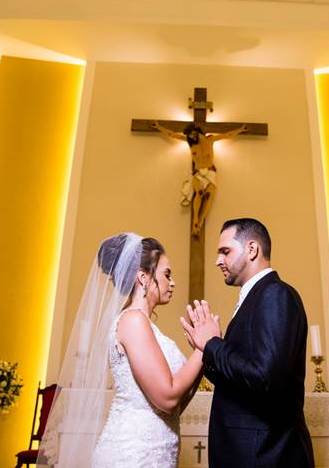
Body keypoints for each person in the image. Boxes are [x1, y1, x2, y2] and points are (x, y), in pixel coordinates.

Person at [38, 233, 204, 468]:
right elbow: (167, 398)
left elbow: (175, 406)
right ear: (143, 278)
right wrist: (204, 349)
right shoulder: (133, 321)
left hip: (155, 452)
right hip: (132, 454)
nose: (173, 282)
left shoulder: (145, 325)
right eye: (167, 274)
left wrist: (201, 353)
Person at [180, 218, 315, 467]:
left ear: (252, 249)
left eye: (225, 251)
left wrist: (212, 344)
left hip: (266, 455)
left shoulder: (275, 294)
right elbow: (242, 380)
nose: (218, 261)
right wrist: (207, 350)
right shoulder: (256, 296)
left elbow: (265, 378)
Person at [152, 122, 248, 237]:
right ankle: (195, 220)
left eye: (192, 134)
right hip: (198, 173)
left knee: (209, 195)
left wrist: (240, 130)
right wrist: (158, 127)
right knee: (200, 193)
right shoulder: (190, 143)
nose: (191, 137)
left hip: (210, 172)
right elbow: (171, 134)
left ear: (197, 131)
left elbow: (228, 135)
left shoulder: (210, 140)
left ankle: (201, 221)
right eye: (189, 136)